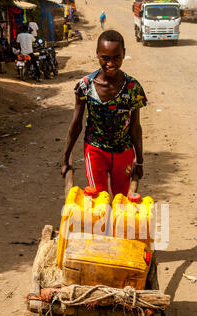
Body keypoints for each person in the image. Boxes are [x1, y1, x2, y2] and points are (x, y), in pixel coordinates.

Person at [61, 30, 147, 197]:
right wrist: (65, 158)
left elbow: (135, 127)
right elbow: (76, 123)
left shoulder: (133, 87)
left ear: (124, 54)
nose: (110, 63)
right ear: (97, 55)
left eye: (116, 57)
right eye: (105, 58)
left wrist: (140, 161)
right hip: (95, 151)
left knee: (120, 202)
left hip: (124, 152)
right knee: (98, 202)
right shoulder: (85, 86)